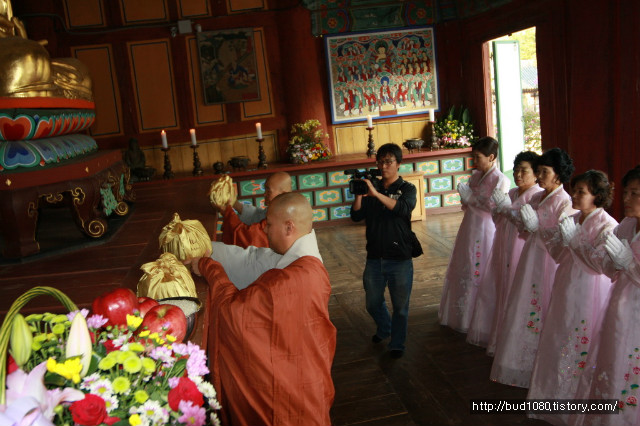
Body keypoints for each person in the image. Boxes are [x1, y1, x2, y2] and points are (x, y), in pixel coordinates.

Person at [187, 192, 336, 426]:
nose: (264, 230)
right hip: (306, 378)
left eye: (269, 225)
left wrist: (210, 268)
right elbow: (252, 258)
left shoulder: (293, 278)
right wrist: (206, 251)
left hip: (291, 393)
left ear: (289, 227)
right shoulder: (304, 261)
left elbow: (235, 314)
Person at [527, 170, 617, 425]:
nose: (575, 195)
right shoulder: (574, 219)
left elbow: (601, 266)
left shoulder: (607, 225)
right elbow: (558, 252)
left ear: (597, 196)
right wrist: (543, 232)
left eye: (581, 192)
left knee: (579, 338)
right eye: (575, 190)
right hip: (566, 282)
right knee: (559, 334)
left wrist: (576, 242)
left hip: (589, 289)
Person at [490, 147, 576, 388]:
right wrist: (510, 211)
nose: (539, 177)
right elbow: (525, 226)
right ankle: (521, 362)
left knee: (542, 304)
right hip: (532, 256)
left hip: (549, 259)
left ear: (558, 175)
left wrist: (538, 228)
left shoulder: (564, 201)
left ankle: (541, 364)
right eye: (538, 171)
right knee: (525, 303)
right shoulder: (538, 197)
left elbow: (564, 238)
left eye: (544, 172)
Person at [570, 166, 640, 426]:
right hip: (619, 301)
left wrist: (629, 264)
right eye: (626, 192)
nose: (626, 198)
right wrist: (615, 261)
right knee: (613, 358)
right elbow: (611, 270)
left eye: (635, 193)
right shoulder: (626, 226)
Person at [466, 151, 542, 351]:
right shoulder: (512, 193)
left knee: (516, 287)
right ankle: (500, 335)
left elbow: (528, 226)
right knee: (501, 284)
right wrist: (499, 210)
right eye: (516, 170)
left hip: (520, 246)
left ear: (536, 174)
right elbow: (498, 220)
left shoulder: (535, 195)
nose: (518, 174)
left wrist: (508, 210)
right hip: (504, 243)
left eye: (523, 170)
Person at [351, 142, 417, 358]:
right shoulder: (372, 186)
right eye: (380, 162)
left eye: (388, 161)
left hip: (400, 258)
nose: (383, 166)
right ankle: (385, 327)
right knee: (371, 302)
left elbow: (401, 208)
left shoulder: (407, 189)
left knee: (400, 307)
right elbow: (356, 216)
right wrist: (361, 192)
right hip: (375, 256)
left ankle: (397, 343)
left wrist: (375, 193)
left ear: (398, 164)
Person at [439, 137, 510, 334]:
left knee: (480, 266)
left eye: (478, 157)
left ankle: (481, 317)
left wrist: (473, 198)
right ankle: (462, 314)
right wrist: (466, 198)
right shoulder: (476, 175)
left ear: (492, 157)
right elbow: (467, 203)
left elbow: (495, 208)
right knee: (466, 264)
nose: (475, 161)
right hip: (470, 225)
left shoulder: (501, 179)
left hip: (486, 228)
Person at [219, 171, 292, 248]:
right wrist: (235, 204)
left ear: (283, 194)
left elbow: (248, 237)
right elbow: (257, 214)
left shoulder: (282, 217)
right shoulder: (277, 208)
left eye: (268, 190)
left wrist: (226, 211)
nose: (264, 194)